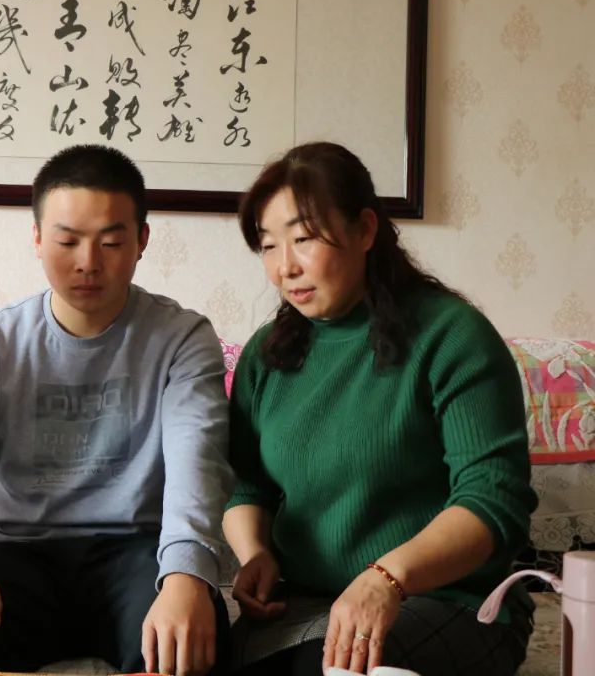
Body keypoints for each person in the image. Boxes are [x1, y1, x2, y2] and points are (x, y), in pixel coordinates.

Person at [0, 144, 233, 676]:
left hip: (137, 554)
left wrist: (186, 575)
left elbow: (199, 464)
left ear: (142, 241)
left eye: (111, 242)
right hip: (22, 554)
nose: (88, 262)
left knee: (194, 642)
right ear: (36, 239)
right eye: (67, 241)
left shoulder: (181, 338)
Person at [223, 142, 536, 675]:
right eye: (269, 246)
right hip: (308, 602)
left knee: (331, 668)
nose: (284, 267)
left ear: (365, 230)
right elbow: (247, 484)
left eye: (303, 239)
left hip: (450, 600)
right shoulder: (267, 354)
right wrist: (256, 552)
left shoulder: (451, 337)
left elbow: (493, 501)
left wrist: (387, 577)